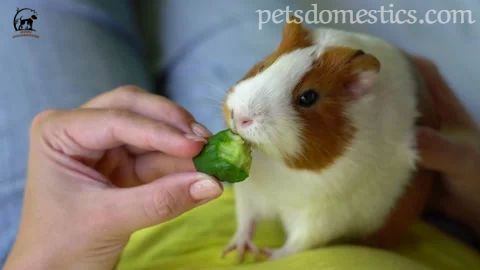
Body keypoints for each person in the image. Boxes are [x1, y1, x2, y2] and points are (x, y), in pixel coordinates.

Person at [1, 0, 479, 268]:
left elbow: (328, 215)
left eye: (307, 101)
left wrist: (42, 261)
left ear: (357, 92)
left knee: (38, 14)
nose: (239, 113)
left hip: (63, 237)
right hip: (447, 233)